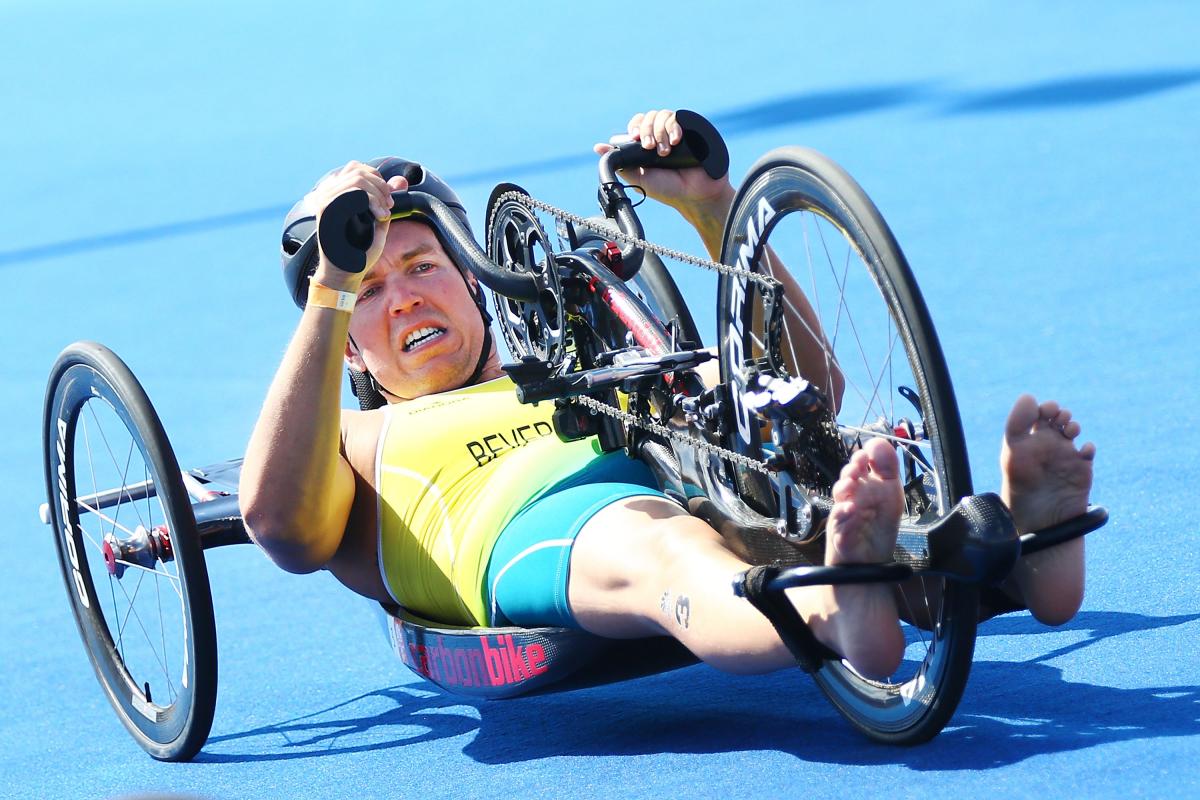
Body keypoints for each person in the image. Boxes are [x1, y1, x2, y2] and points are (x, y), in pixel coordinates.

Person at [240, 110, 1096, 680]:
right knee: (661, 550)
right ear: (346, 343)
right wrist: (330, 282)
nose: (408, 298)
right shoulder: (353, 439)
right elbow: (277, 522)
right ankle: (839, 609)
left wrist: (712, 204)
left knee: (798, 458)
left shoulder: (573, 351)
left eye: (424, 267)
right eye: (373, 290)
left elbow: (813, 386)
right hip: (541, 531)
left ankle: (1020, 552)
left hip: (674, 473)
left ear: (472, 281)